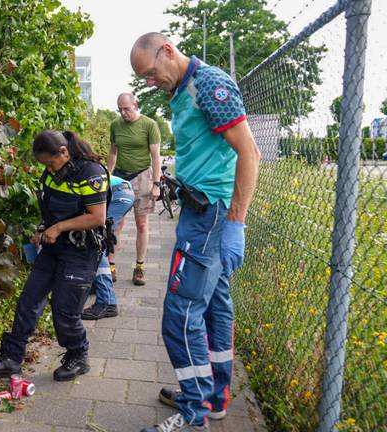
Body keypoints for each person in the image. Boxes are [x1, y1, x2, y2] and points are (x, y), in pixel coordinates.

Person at [130, 33, 260, 432]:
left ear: (167, 49)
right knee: (216, 305)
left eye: (152, 73)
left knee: (180, 313)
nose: (151, 82)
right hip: (200, 210)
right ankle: (212, 397)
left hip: (210, 216)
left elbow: (249, 153)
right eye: (145, 79)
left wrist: (235, 223)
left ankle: (192, 411)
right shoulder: (185, 87)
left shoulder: (211, 85)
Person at [0, 130, 109, 382]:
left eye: (50, 163)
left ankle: (78, 355)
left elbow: (97, 217)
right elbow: (49, 209)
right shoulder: (50, 173)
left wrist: (58, 228)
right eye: (44, 166)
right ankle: (11, 359)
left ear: (63, 152)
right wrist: (43, 228)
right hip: (53, 248)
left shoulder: (91, 173)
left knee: (64, 310)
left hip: (81, 251)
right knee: (28, 301)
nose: (48, 169)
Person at [108, 92, 162, 285]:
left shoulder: (149, 125)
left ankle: (139, 266)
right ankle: (111, 266)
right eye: (120, 109)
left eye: (126, 109)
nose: (123, 113)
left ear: (136, 105)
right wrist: (107, 177)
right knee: (115, 224)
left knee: (142, 224)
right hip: (121, 178)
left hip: (142, 177)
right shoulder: (115, 125)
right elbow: (113, 152)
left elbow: (156, 156)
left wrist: (156, 184)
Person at [81, 175, 135, 320]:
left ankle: (107, 302)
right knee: (97, 239)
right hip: (121, 190)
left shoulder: (68, 172)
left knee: (95, 242)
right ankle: (97, 285)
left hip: (118, 194)